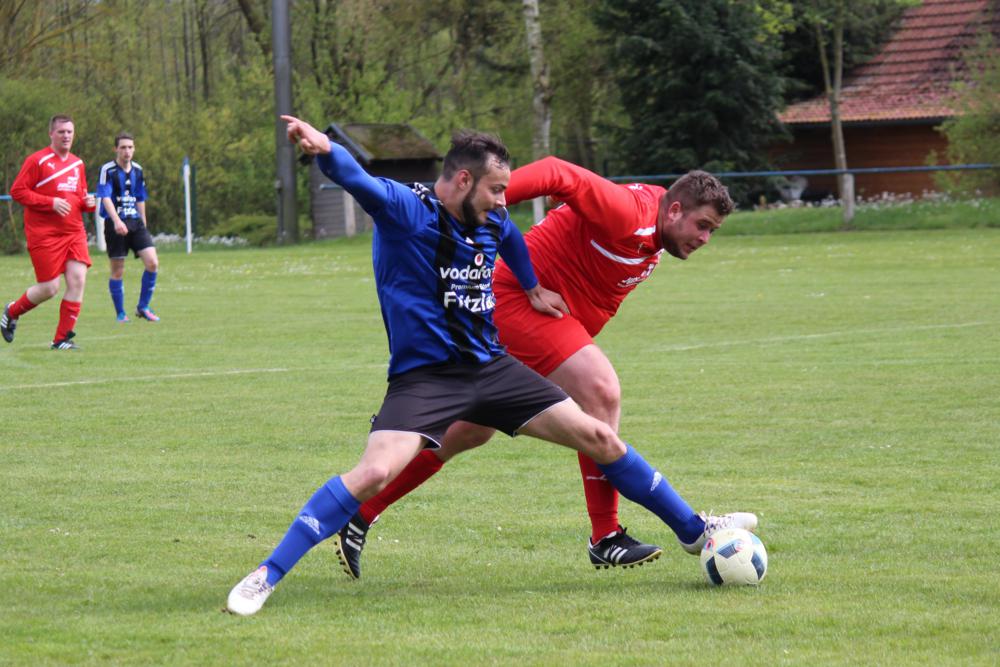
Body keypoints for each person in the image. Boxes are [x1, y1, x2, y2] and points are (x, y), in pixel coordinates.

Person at [226, 115, 756, 616]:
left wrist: (532, 285)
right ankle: (266, 574)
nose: (507, 200)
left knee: (597, 435)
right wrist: (325, 150)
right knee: (374, 471)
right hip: (428, 379)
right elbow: (359, 180)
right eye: (498, 190)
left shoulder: (490, 221)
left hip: (493, 369)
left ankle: (692, 532)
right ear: (464, 180)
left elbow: (514, 242)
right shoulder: (407, 209)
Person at [334, 161, 737, 577]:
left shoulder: (656, 227)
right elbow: (557, 172)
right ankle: (614, 535)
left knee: (471, 431)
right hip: (515, 301)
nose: (704, 238)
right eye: (702, 226)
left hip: (533, 316)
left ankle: (360, 511)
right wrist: (479, 202)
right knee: (601, 391)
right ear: (675, 210)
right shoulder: (627, 210)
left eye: (712, 231)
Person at [2, 115, 97, 350]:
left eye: (69, 132)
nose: (66, 136)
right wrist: (50, 202)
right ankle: (11, 312)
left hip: (73, 231)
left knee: (78, 279)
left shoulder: (77, 164)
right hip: (44, 234)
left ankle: (62, 339)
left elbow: (79, 195)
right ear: (51, 134)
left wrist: (88, 203)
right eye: (61, 132)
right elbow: (18, 191)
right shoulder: (37, 161)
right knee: (49, 288)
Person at [96, 132, 160, 322]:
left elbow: (140, 197)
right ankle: (121, 313)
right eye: (123, 147)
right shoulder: (108, 170)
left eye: (130, 147)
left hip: (135, 223)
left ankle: (143, 307)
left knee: (152, 263)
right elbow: (104, 197)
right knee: (118, 270)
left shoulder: (138, 170)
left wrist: (144, 223)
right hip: (115, 223)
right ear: (116, 149)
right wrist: (116, 221)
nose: (127, 151)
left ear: (134, 149)